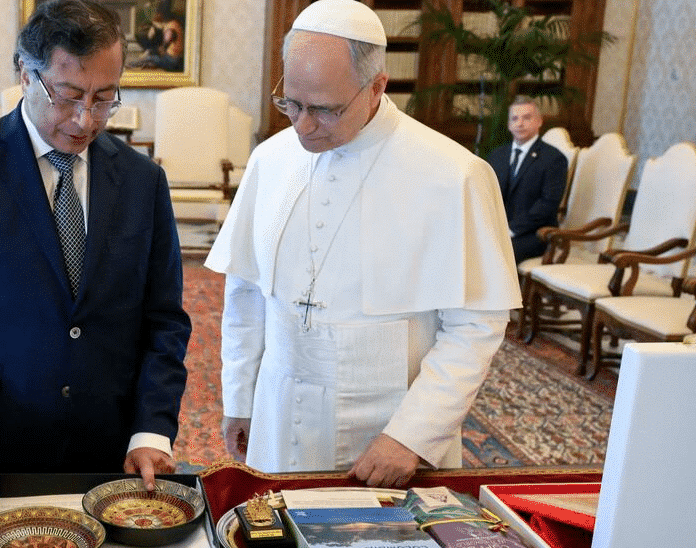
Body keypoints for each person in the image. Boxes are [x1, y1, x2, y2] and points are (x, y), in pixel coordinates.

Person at [205, 0, 520, 488]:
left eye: (325, 109)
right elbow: (245, 292)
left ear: (377, 87)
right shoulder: (270, 160)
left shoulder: (454, 174)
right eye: (292, 103)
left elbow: (476, 326)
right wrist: (240, 399)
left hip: (390, 425)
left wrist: (411, 436)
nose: (302, 126)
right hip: (279, 410)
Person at [0, 0, 191, 523]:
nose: (85, 120)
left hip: (113, 452)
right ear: (25, 75)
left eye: (104, 99)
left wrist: (151, 430)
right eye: (69, 95)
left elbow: (164, 319)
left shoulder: (143, 181)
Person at [486, 96, 569, 264]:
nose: (520, 123)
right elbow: (486, 194)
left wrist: (511, 229)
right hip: (498, 228)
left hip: (535, 234)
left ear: (539, 121)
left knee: (496, 253)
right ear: (509, 124)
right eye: (514, 118)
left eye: (526, 118)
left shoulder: (553, 159)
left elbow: (548, 204)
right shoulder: (497, 155)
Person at [131, 6, 184, 72]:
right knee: (151, 55)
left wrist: (160, 49)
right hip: (176, 58)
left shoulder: (169, 27)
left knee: (150, 58)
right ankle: (134, 64)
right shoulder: (174, 23)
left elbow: (168, 39)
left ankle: (132, 65)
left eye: (156, 24)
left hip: (172, 60)